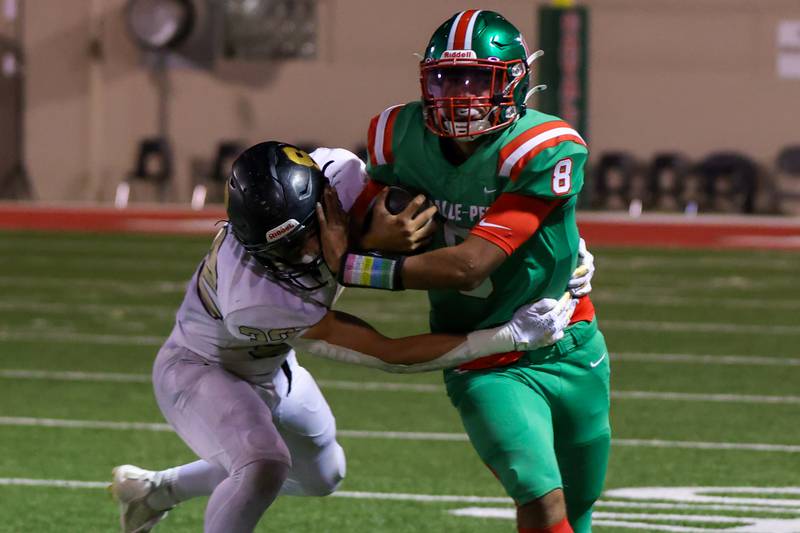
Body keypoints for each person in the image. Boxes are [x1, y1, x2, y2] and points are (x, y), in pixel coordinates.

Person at [109, 141, 585, 533]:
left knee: (323, 475)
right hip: (201, 368)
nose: (307, 252)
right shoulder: (253, 297)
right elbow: (389, 354)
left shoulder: (342, 175)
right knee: (263, 465)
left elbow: (445, 197)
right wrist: (508, 335)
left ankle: (153, 492)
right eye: (288, 248)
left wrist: (560, 245)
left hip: (273, 366)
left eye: (307, 232)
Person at [327, 10, 610, 533]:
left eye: (478, 79)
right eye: (445, 77)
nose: (460, 94)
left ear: (515, 79)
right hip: (481, 351)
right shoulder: (395, 134)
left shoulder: (544, 146)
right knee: (541, 500)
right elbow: (352, 225)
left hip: (569, 336)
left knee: (578, 507)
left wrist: (358, 268)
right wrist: (368, 242)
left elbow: (469, 264)